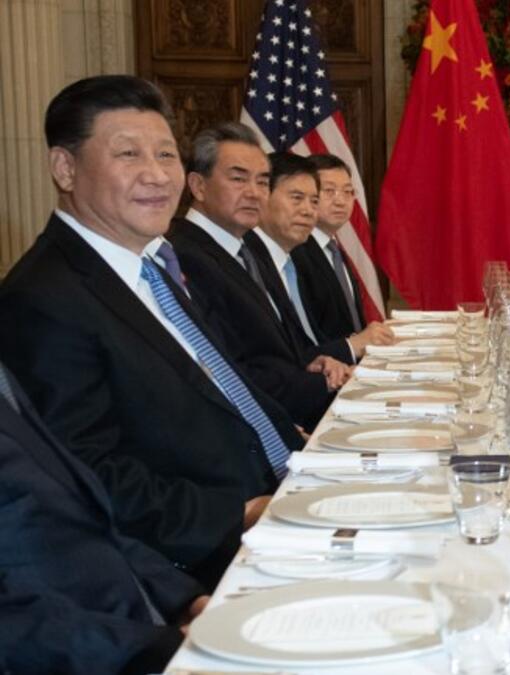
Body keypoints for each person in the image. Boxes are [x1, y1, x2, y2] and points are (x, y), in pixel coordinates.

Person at [0, 75, 301, 588]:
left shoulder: (152, 265)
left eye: (166, 155)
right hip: (211, 550)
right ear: (64, 168)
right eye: (128, 155)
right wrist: (243, 512)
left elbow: (222, 382)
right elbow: (92, 474)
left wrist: (298, 442)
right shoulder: (43, 297)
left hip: (281, 490)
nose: (158, 176)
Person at [0, 362, 208, 674]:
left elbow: (84, 511)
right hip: (103, 655)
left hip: (142, 628)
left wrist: (184, 598)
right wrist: (152, 647)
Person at [169, 123, 348, 431]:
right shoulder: (182, 255)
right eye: (238, 179)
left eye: (262, 182)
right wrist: (324, 385)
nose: (254, 193)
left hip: (295, 406)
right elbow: (227, 371)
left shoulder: (249, 245)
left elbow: (277, 347)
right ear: (198, 186)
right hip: (265, 426)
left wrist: (316, 363)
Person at [244, 152, 392, 365]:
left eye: (348, 191)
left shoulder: (325, 249)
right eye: (329, 191)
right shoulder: (259, 258)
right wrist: (350, 347)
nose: (307, 210)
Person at [293, 154, 392, 344]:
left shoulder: (334, 249)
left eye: (348, 192)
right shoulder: (296, 252)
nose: (341, 201)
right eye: (329, 191)